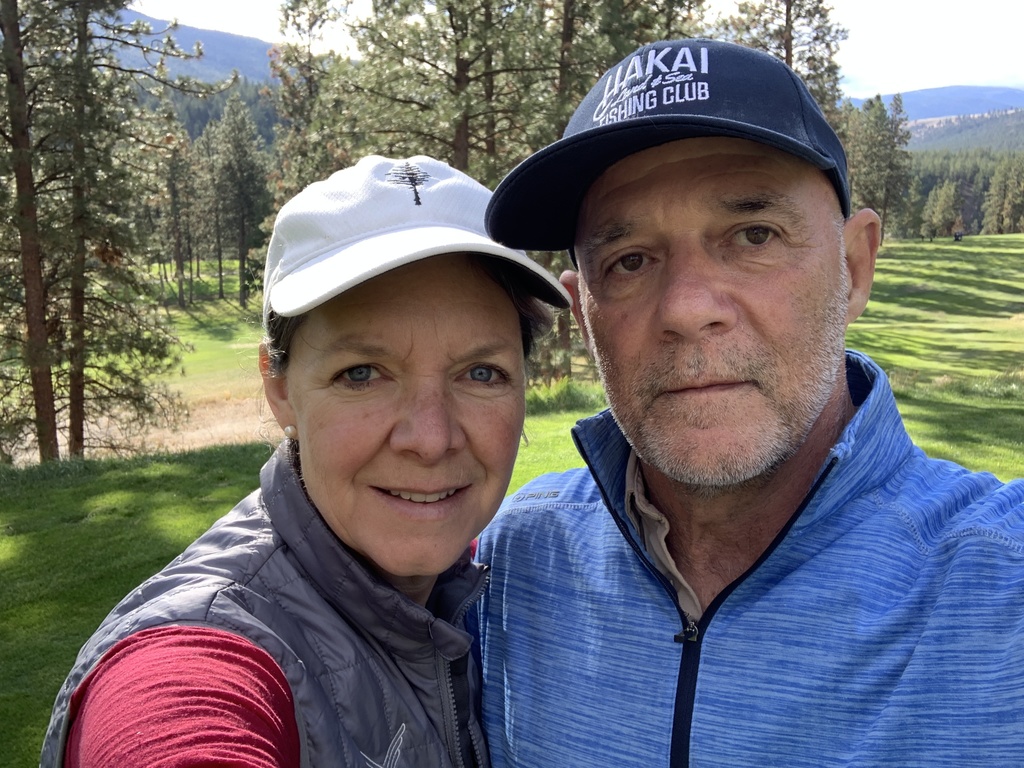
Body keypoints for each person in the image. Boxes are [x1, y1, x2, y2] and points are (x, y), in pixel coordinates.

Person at [473, 38, 1024, 767]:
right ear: (583, 312)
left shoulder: (998, 585)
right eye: (629, 260)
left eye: (753, 235)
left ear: (853, 268)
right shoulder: (516, 561)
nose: (689, 308)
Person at [40, 155, 569, 768]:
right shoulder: (199, 650)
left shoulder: (479, 590)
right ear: (280, 387)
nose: (430, 439)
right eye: (362, 374)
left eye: (482, 373)